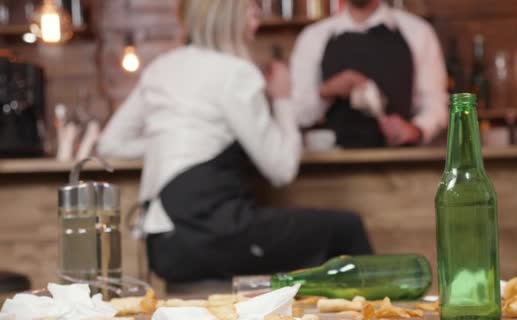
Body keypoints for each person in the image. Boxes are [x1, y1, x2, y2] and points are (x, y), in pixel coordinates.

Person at [97, 0, 372, 282]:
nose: (256, 22)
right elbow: (282, 169)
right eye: (251, 13)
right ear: (228, 18)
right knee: (346, 229)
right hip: (208, 233)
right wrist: (283, 98)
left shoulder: (162, 68)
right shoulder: (236, 73)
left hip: (163, 246)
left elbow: (110, 142)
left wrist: (171, 145)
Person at [290, 0, 448, 148]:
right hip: (333, 164)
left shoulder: (418, 32)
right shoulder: (313, 37)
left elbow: (436, 104)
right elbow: (297, 113)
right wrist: (326, 92)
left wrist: (417, 129)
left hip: (401, 162)